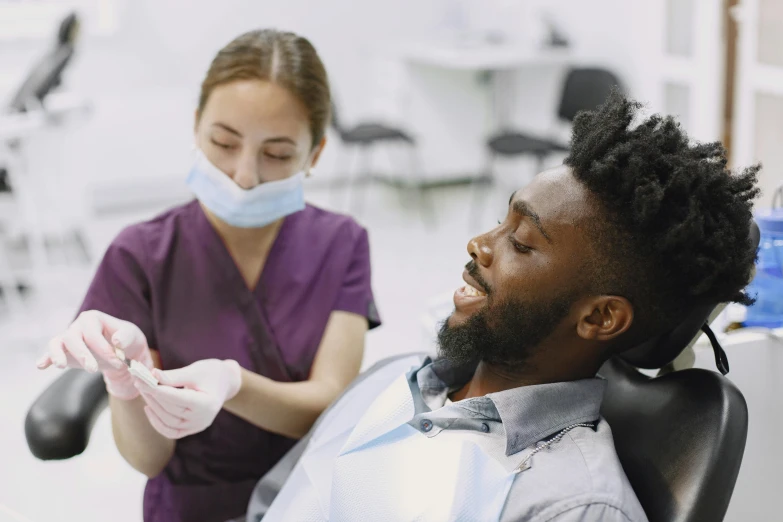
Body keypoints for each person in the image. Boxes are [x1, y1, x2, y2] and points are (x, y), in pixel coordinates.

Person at [242, 91, 760, 521]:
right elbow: (269, 504)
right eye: (500, 221)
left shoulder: (571, 505)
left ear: (600, 317)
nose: (479, 244)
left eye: (522, 242)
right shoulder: (394, 380)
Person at [36, 29, 380, 522]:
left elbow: (325, 405)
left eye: (277, 154)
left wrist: (234, 383)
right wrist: (125, 382)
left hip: (307, 499)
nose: (244, 174)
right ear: (197, 127)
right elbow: (148, 458)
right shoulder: (141, 255)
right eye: (223, 142)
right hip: (192, 508)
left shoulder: (342, 242)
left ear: (316, 154)